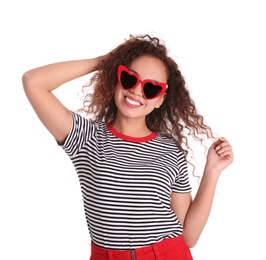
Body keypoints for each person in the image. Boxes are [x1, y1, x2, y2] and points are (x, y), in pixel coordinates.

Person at [22, 34, 233, 260]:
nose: (136, 91)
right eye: (129, 78)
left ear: (160, 99)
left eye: (151, 88)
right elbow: (33, 82)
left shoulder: (170, 150)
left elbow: (189, 236)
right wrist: (107, 61)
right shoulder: (86, 137)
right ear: (117, 78)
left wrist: (212, 171)